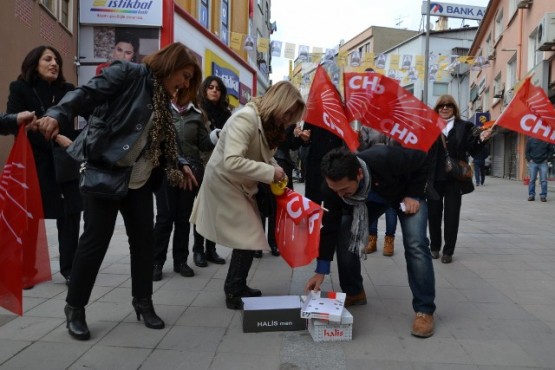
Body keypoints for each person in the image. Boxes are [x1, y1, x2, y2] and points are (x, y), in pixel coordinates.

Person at [36, 42, 199, 341]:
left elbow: (165, 134)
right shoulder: (128, 73)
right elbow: (86, 93)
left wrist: (180, 161)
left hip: (138, 179)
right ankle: (75, 308)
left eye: (189, 80)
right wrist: (58, 113)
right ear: (171, 64)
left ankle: (143, 302)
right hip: (106, 171)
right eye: (185, 75)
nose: (185, 83)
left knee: (144, 243)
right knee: (95, 242)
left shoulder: (162, 98)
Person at [190, 81, 305, 310]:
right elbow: (232, 161)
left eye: (293, 114)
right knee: (250, 234)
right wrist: (271, 171)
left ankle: (236, 286)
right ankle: (233, 289)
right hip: (224, 183)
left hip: (238, 184)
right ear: (278, 102)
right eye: (289, 111)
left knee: (250, 236)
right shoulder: (246, 118)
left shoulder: (265, 120)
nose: (289, 118)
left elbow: (261, 153)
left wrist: (272, 165)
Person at [305, 146, 436, 338]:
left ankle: (424, 309)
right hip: (367, 202)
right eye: (335, 190)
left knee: (416, 243)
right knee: (344, 230)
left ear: (359, 174)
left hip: (404, 193)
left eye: (344, 189)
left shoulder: (385, 157)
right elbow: (329, 227)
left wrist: (414, 194)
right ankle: (354, 291)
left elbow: (422, 159)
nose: (340, 195)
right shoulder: (332, 189)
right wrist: (321, 269)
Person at [6, 45, 81, 288]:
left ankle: (70, 269)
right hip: (34, 163)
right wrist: (52, 134)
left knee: (70, 214)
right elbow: (15, 122)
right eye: (47, 59)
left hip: (64, 161)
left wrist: (74, 140)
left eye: (57, 60)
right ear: (34, 63)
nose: (54, 63)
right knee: (29, 218)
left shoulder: (68, 91)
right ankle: (27, 270)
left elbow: (76, 124)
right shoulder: (20, 88)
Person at [152, 88, 219, 281]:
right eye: (176, 89)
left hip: (192, 172)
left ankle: (180, 261)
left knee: (183, 218)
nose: (178, 92)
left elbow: (204, 144)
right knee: (165, 217)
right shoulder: (162, 111)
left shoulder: (197, 115)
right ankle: (156, 262)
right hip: (166, 169)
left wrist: (216, 136)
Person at [427, 95, 492, 264]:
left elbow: (474, 149)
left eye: (448, 105)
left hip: (455, 179)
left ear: (454, 108)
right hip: (434, 178)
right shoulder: (429, 126)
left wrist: (482, 140)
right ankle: (434, 247)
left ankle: (448, 251)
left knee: (452, 215)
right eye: (441, 105)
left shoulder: (464, 126)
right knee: (433, 214)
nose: (445, 108)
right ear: (437, 108)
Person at [191, 76, 233, 267]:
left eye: (218, 88)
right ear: (205, 90)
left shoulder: (227, 113)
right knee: (201, 209)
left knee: (215, 209)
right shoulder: (199, 111)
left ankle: (211, 249)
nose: (214, 90)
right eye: (210, 87)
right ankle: (198, 250)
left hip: (221, 166)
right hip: (203, 163)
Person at [358, 126, 398, 256]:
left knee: (391, 206)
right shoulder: (366, 126)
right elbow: (362, 148)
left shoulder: (394, 123)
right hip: (372, 167)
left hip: (391, 168)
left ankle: (389, 240)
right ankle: (371, 239)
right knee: (371, 202)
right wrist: (361, 140)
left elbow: (397, 145)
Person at [526, 137, 553, 202]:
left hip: (543, 162)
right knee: (532, 180)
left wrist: (547, 159)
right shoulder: (530, 140)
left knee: (543, 180)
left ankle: (543, 196)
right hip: (533, 163)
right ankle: (531, 195)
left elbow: (551, 151)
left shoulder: (547, 140)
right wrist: (530, 159)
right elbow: (527, 151)